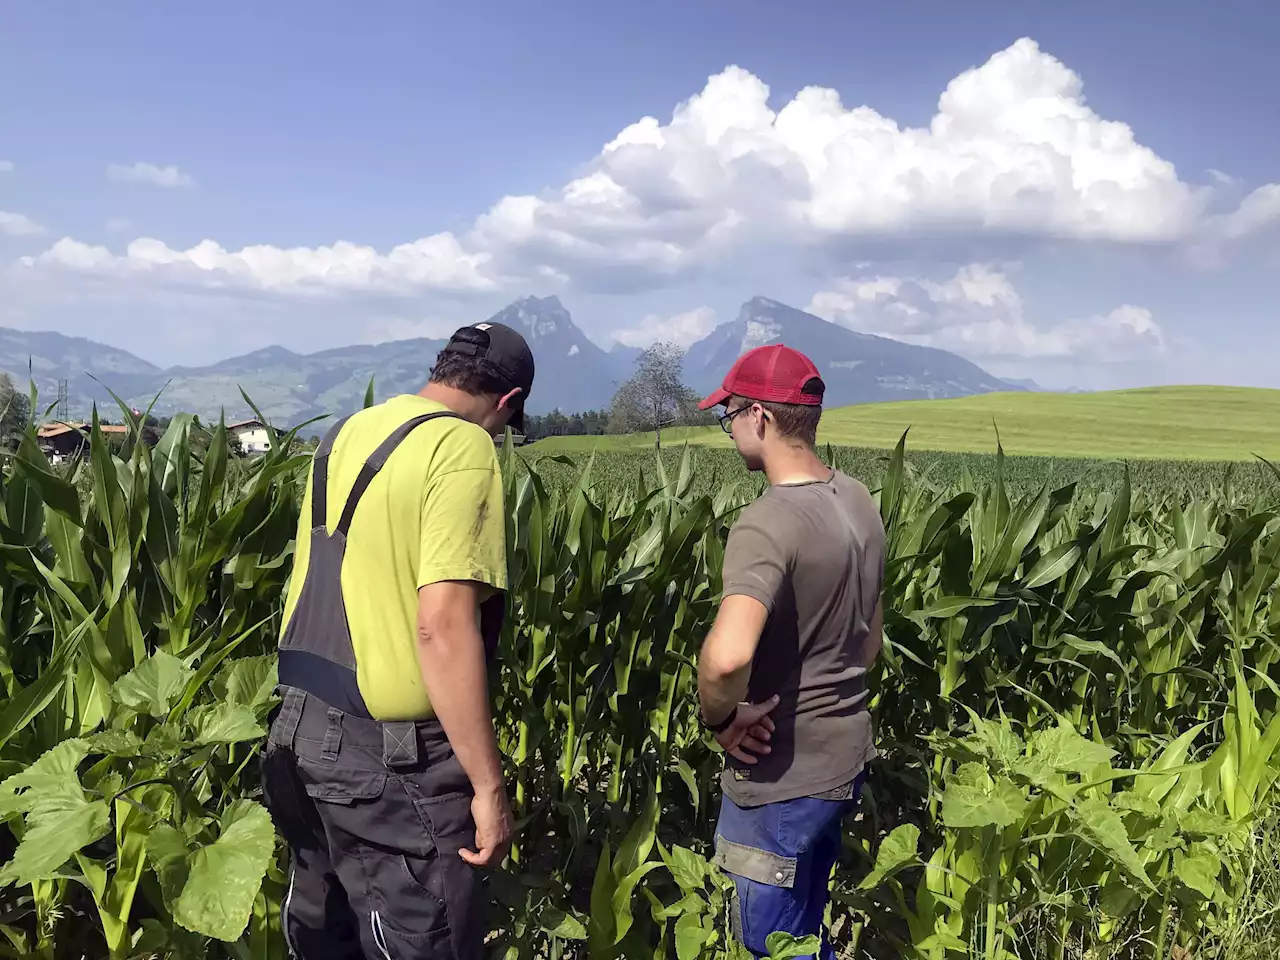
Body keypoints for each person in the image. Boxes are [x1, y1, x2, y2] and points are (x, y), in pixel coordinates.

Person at [260, 320, 534, 959]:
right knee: (421, 939)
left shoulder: (349, 430)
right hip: (387, 756)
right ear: (508, 401)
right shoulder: (462, 447)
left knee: (327, 936)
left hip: (299, 728)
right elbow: (440, 625)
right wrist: (489, 787)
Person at [694, 344, 886, 960]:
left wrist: (722, 718)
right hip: (843, 760)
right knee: (803, 930)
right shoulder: (858, 500)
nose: (731, 433)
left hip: (781, 776)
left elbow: (726, 658)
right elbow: (872, 641)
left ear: (760, 417)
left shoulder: (769, 521)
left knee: (768, 947)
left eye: (730, 418)